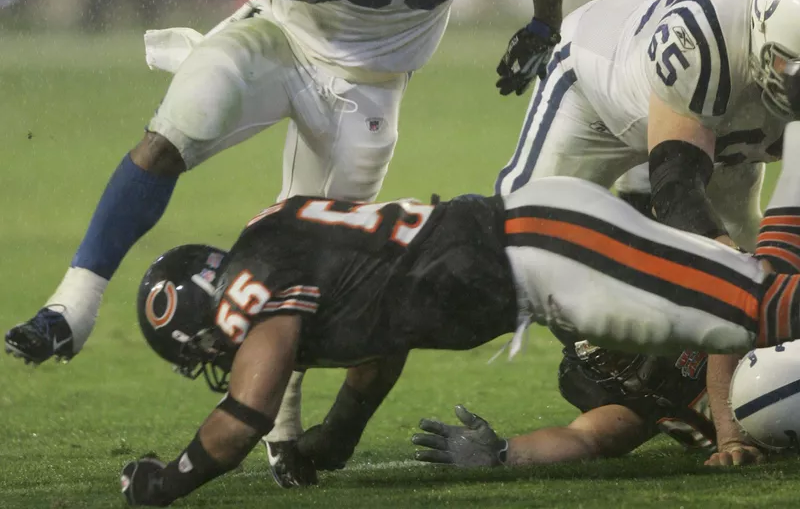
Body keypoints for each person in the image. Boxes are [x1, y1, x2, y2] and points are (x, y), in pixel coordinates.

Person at [5, 0, 569, 481]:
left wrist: (544, 21)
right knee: (184, 119)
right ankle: (73, 303)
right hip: (287, 34)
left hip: (374, 79)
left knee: (322, 272)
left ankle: (286, 429)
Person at [119, 117, 800, 505]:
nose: (219, 358)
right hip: (540, 248)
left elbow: (245, 417)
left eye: (207, 347)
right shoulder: (294, 257)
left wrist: (168, 480)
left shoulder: (264, 282)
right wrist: (339, 436)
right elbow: (384, 337)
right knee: (756, 301)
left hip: (547, 256)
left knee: (753, 311)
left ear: (218, 312)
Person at [496, 0, 800, 463]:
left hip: (721, 134)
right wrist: (732, 275)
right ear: (768, 41)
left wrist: (730, 434)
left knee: (748, 289)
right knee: (514, 248)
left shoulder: (775, 51)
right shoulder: (706, 35)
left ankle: (731, 412)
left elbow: (768, 263)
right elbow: (676, 185)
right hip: (599, 94)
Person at [412, 343, 752, 468]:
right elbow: (584, 438)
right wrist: (505, 452)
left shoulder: (693, 315)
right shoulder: (637, 400)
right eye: (604, 365)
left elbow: (729, 330)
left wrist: (731, 437)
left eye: (616, 353)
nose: (617, 370)